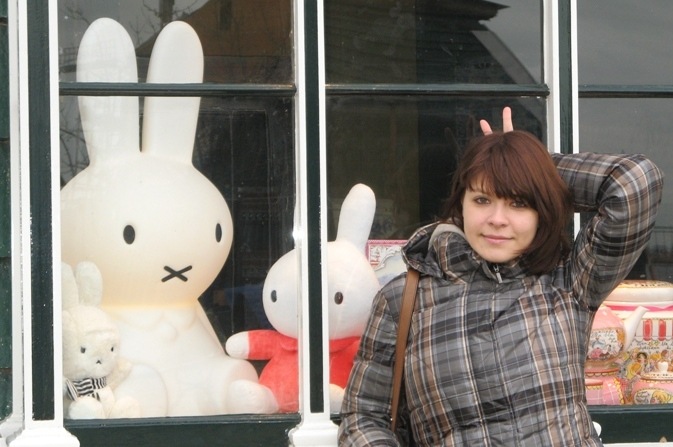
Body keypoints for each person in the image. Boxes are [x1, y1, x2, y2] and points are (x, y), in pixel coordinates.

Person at [338, 108, 664, 446]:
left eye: (518, 203)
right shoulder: (403, 298)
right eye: (482, 199)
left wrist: (531, 165)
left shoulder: (569, 279)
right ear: (461, 203)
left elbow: (636, 183)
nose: (497, 219)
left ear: (541, 211)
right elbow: (362, 419)